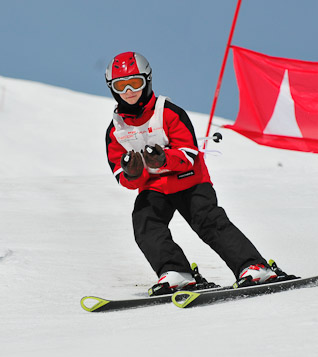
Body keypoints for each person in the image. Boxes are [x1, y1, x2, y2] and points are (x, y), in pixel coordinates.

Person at [104, 51, 282, 296]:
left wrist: (165, 158)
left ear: (147, 80)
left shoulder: (167, 112)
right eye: (120, 86)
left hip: (189, 181)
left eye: (135, 83)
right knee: (145, 222)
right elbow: (120, 174)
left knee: (207, 221)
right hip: (155, 187)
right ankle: (176, 272)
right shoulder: (116, 130)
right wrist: (133, 174)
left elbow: (189, 154)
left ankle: (254, 267)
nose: (129, 91)